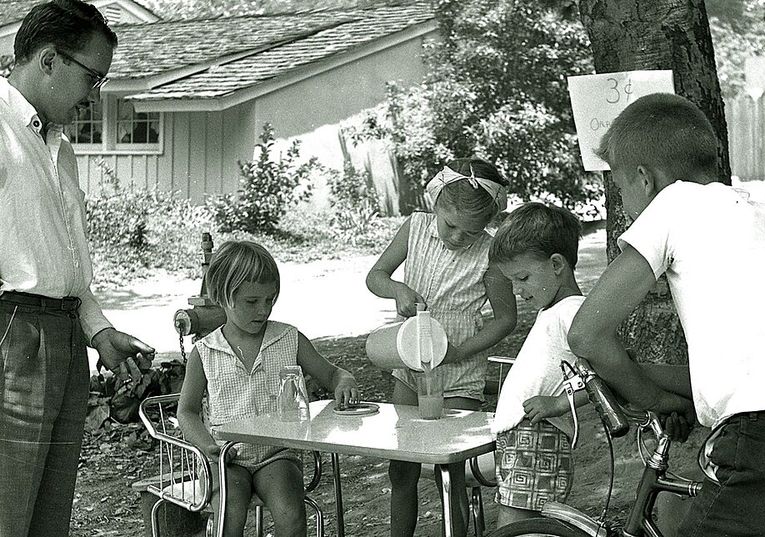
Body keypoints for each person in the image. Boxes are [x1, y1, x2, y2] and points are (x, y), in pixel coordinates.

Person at [567, 92, 765, 537]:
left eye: (619, 189)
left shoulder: (672, 205)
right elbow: (755, 368)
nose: (623, 204)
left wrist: (650, 400)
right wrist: (645, 374)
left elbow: (587, 335)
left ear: (644, 179)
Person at [0, 2, 154, 536]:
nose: (94, 94)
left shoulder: (57, 147)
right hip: (12, 335)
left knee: (48, 513)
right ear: (48, 60)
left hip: (63, 336)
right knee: (6, 509)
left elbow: (63, 260)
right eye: (93, 76)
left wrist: (99, 330)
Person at [366, 157, 517, 537]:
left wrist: (461, 351)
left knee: (449, 472)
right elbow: (376, 276)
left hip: (459, 374)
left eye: (469, 233)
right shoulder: (415, 227)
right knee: (401, 467)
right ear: (436, 203)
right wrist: (397, 289)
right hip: (409, 365)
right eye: (451, 225)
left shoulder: (489, 253)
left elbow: (505, 318)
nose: (457, 238)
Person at [178, 240, 360, 537]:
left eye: (270, 300)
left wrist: (344, 381)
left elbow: (331, 373)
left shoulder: (288, 338)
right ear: (223, 296)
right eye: (252, 302)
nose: (263, 310)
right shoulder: (205, 351)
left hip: (276, 453)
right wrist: (207, 446)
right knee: (230, 514)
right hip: (225, 456)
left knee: (291, 513)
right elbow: (186, 411)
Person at [488, 202, 589, 528]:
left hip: (538, 435)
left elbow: (598, 374)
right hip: (523, 436)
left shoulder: (573, 311)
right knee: (523, 527)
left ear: (557, 264)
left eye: (523, 277)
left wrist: (559, 403)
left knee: (516, 527)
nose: (517, 291)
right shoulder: (555, 309)